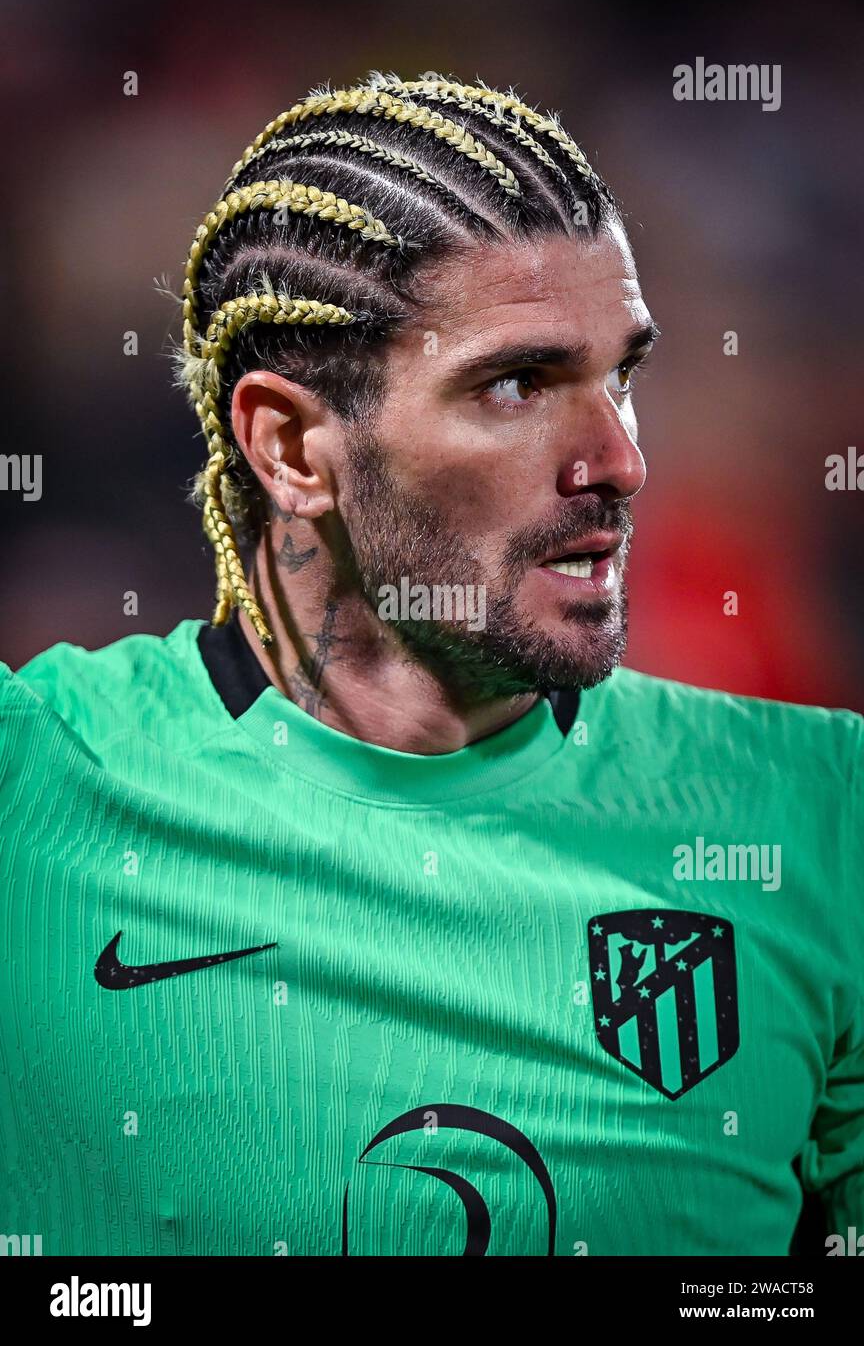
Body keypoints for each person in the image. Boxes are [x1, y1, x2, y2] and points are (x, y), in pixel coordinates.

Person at [1, 72, 860, 1257]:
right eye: (518, 383)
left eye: (623, 374)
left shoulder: (820, 813)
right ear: (294, 445)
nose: (619, 458)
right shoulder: (32, 787)